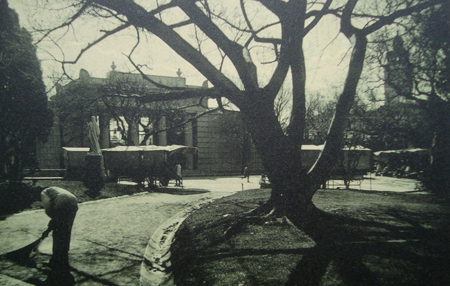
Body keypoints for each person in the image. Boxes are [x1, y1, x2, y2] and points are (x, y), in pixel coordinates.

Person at [41, 187, 78, 285]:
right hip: (74, 201)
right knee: (66, 230)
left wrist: (48, 229)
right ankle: (62, 257)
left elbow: (52, 212)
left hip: (62, 201)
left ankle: (56, 259)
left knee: (57, 233)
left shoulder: (43, 194)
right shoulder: (52, 190)